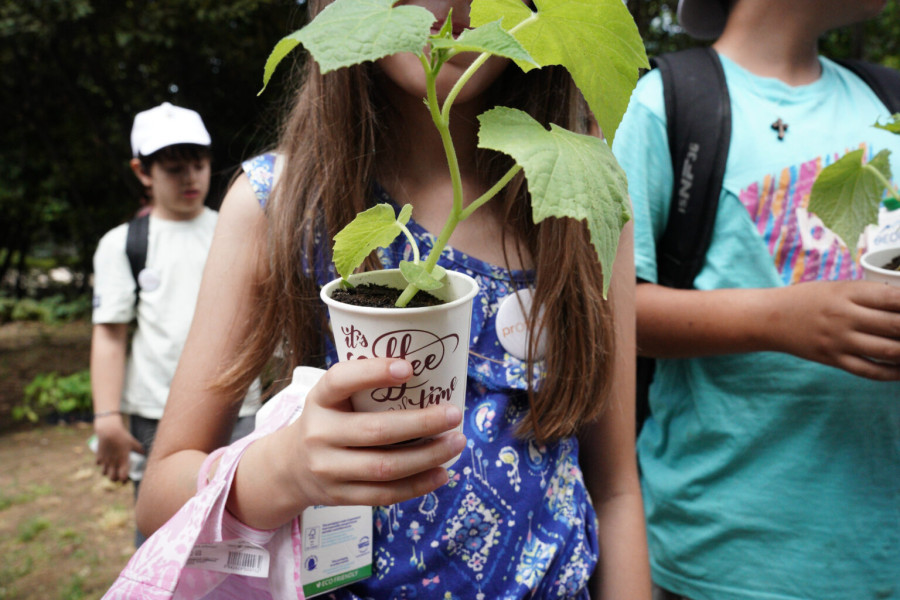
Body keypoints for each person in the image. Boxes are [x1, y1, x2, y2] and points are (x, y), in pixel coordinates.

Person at [132, 1, 650, 597]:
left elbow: (616, 490)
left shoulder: (583, 201)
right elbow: (160, 502)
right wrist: (282, 471)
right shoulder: (279, 207)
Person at [612, 1, 900, 599]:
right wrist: (779, 319)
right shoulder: (669, 104)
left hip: (880, 548)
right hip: (724, 554)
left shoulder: (886, 106)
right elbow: (612, 310)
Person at [90, 102, 261, 547]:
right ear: (143, 172)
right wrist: (107, 418)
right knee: (163, 531)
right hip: (156, 413)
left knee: (238, 530)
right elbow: (109, 335)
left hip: (241, 408)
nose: (190, 178)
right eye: (173, 168)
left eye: (198, 164)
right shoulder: (123, 244)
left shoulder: (236, 227)